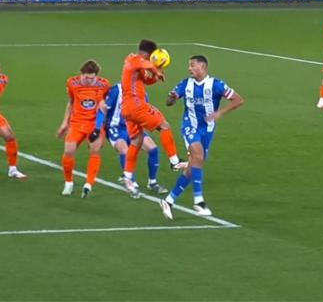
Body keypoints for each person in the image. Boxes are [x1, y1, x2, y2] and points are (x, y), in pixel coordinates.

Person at [160, 55, 244, 218]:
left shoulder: (216, 84)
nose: (189, 68)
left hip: (208, 129)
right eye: (189, 66)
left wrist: (220, 112)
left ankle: (169, 200)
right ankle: (199, 201)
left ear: (203, 66)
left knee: (194, 167)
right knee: (197, 156)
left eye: (192, 65)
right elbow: (169, 102)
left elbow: (238, 100)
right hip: (190, 126)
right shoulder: (185, 84)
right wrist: (171, 98)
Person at [120, 40, 186, 198]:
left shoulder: (137, 65)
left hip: (128, 109)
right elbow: (147, 66)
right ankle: (175, 161)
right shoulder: (134, 59)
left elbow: (146, 79)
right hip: (137, 105)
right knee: (164, 125)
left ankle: (128, 177)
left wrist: (157, 74)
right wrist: (155, 69)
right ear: (148, 54)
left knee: (137, 141)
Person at [99, 82, 168, 193]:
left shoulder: (143, 93)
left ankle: (153, 182)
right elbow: (104, 109)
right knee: (124, 150)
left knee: (153, 149)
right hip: (115, 127)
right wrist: (100, 129)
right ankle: (132, 183)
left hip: (133, 128)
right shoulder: (117, 90)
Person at [56, 60, 111, 198]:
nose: (89, 81)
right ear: (82, 74)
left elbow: (105, 106)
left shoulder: (104, 85)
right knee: (68, 150)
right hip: (77, 123)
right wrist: (65, 122)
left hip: (94, 124)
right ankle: (68, 183)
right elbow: (71, 102)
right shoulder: (72, 83)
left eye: (92, 78)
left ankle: (89, 184)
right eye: (87, 77)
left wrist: (100, 125)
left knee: (95, 150)